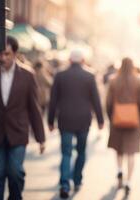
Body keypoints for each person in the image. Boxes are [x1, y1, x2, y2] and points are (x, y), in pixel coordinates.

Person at [0, 36, 46, 200]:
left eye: (7, 54)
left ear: (15, 54)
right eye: (1, 54)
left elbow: (34, 108)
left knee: (15, 173)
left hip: (18, 133)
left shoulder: (27, 76)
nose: (3, 58)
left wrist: (41, 138)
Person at [48, 50, 104, 199]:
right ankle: (77, 179)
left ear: (70, 60)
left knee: (66, 153)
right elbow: (96, 100)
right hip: (83, 120)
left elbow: (53, 100)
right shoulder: (89, 75)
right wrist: (100, 120)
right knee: (81, 151)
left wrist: (50, 120)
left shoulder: (60, 75)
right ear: (83, 60)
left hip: (65, 119)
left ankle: (64, 184)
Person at [106, 58, 140, 196]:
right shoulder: (138, 81)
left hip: (117, 119)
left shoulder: (113, 80)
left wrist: (111, 117)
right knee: (131, 152)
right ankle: (128, 181)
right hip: (134, 120)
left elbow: (108, 102)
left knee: (119, 149)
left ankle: (119, 170)